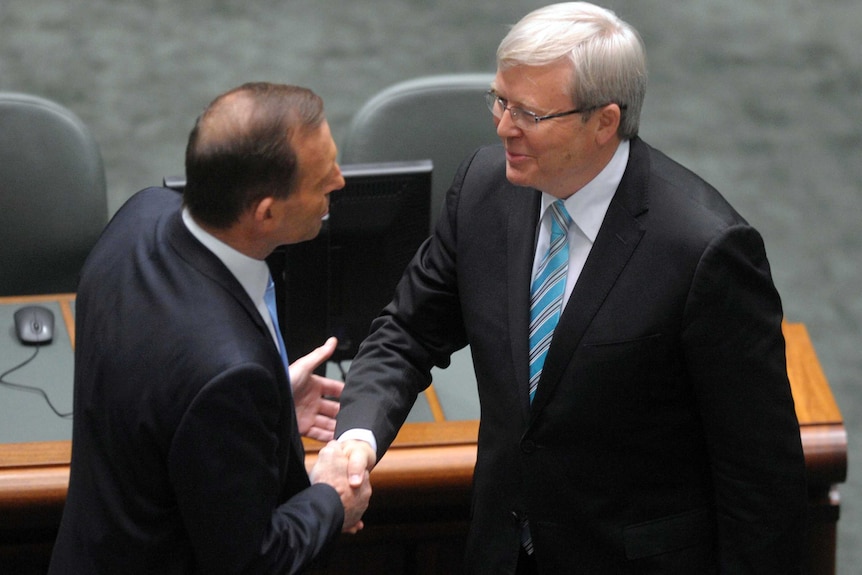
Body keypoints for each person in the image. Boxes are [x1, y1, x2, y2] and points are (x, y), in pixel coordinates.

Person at [336, 3, 807, 573]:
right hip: (500, 553)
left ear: (604, 122)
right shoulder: (483, 189)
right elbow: (407, 331)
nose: (503, 126)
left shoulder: (706, 251)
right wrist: (358, 437)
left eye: (529, 113)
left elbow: (760, 479)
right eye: (500, 101)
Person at [49, 82, 371, 574]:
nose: (340, 181)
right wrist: (329, 499)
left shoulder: (139, 215)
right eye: (323, 174)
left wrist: (267, 407)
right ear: (266, 212)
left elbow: (160, 397)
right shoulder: (226, 374)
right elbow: (254, 561)